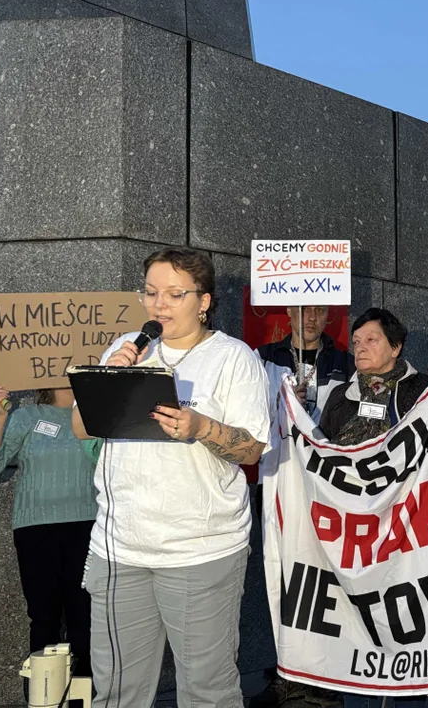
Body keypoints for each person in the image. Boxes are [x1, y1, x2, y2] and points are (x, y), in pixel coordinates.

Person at [72, 247, 270, 708]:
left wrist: (200, 427)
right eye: (150, 293)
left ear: (204, 301)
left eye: (174, 294)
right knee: (117, 690)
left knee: (207, 692)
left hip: (200, 551)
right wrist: (109, 375)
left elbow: (252, 448)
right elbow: (80, 428)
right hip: (119, 547)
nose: (159, 305)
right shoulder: (127, 346)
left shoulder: (233, 358)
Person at [318, 307, 428, 708]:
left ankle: (405, 695)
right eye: (357, 340)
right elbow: (322, 450)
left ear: (396, 346)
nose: (360, 348)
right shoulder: (339, 395)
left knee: (403, 623)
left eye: (372, 340)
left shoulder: (425, 391)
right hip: (352, 530)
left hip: (406, 530)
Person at [252, 308, 352, 707]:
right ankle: (287, 673)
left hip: (329, 489)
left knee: (325, 581)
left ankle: (326, 678)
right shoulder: (262, 358)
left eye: (317, 310)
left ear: (329, 315)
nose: (309, 317)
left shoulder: (345, 361)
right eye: (301, 309)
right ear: (288, 313)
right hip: (279, 480)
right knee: (281, 578)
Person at [0, 386, 97, 678]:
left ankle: (83, 693)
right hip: (36, 529)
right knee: (43, 615)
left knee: (86, 617)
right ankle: (45, 694)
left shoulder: (98, 418)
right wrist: (1, 418)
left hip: (89, 527)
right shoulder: (27, 417)